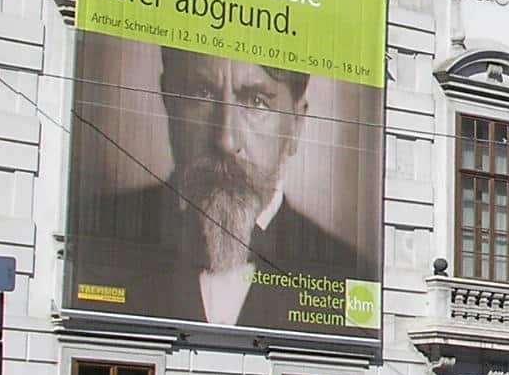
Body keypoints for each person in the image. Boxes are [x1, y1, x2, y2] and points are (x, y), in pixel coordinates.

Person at [69, 42, 379, 333]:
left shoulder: (351, 273)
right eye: (202, 93)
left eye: (256, 102)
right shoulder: (88, 238)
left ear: (296, 125)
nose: (226, 141)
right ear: (168, 101)